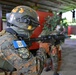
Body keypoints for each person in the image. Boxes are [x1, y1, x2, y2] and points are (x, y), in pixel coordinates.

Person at [0, 5, 60, 75]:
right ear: (25, 23)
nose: (33, 31)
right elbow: (34, 71)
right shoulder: (10, 42)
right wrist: (43, 49)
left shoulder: (7, 35)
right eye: (33, 25)